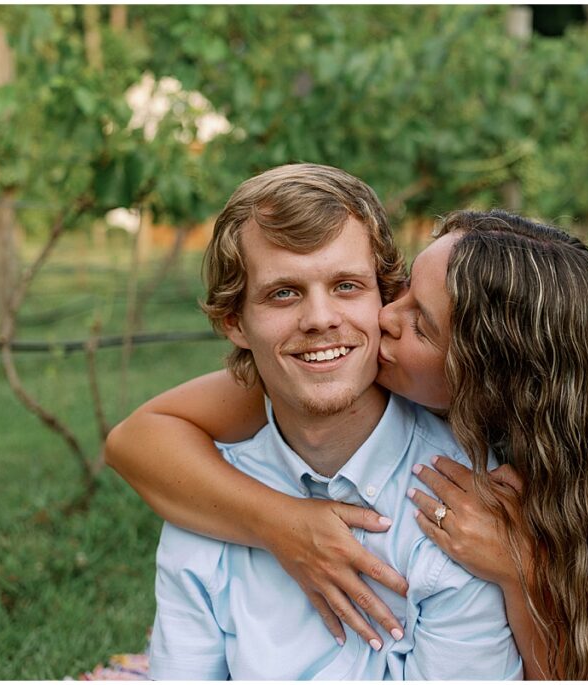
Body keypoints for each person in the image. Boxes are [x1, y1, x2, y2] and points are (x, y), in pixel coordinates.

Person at [108, 203, 588, 679]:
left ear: (484, 378)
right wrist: (284, 523)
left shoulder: (539, 490)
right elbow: (136, 441)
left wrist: (522, 574)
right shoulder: (308, 375)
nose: (383, 319)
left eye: (421, 323)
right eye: (400, 292)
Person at [141, 164, 522, 679]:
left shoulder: (463, 508)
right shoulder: (205, 505)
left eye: (346, 285)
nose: (319, 319)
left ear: (384, 301)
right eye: (284, 293)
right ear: (235, 322)